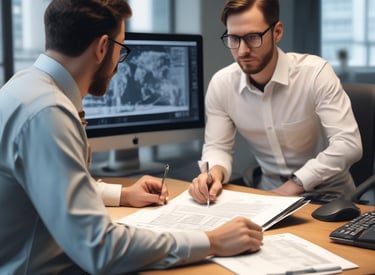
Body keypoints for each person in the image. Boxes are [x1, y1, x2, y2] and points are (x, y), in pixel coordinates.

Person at [0, 0, 263, 274]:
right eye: (121, 48)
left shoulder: (24, 86)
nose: (119, 63)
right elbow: (100, 249)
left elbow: (52, 184)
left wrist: (123, 194)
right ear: (103, 47)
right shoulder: (49, 114)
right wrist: (211, 241)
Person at [188, 0, 362, 205]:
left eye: (252, 37)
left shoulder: (315, 74)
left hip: (330, 196)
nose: (242, 50)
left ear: (277, 32)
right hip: (269, 195)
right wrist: (213, 174)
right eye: (234, 38)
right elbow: (218, 147)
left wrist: (294, 185)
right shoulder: (222, 84)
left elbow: (349, 145)